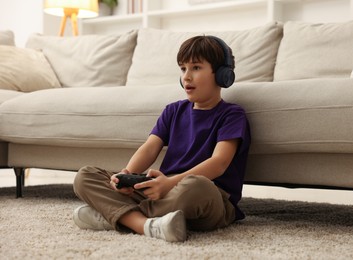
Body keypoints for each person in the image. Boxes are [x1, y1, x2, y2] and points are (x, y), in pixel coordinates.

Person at [72, 35, 251, 243]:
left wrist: (169, 184)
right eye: (183, 69)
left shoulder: (232, 115)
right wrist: (126, 174)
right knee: (85, 176)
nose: (187, 76)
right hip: (161, 191)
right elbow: (149, 148)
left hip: (207, 197)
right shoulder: (173, 110)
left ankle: (118, 216)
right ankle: (147, 224)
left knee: (196, 186)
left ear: (222, 75)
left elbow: (218, 163)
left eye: (196, 68)